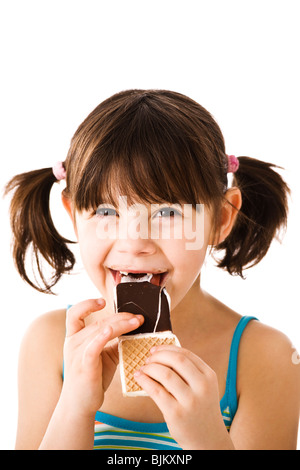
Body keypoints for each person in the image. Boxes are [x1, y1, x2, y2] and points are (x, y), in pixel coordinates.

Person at [5, 89, 300, 450]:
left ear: (221, 218)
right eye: (106, 212)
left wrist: (206, 438)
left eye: (168, 214)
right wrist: (75, 409)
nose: (134, 242)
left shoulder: (265, 358)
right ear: (73, 217)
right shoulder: (49, 344)